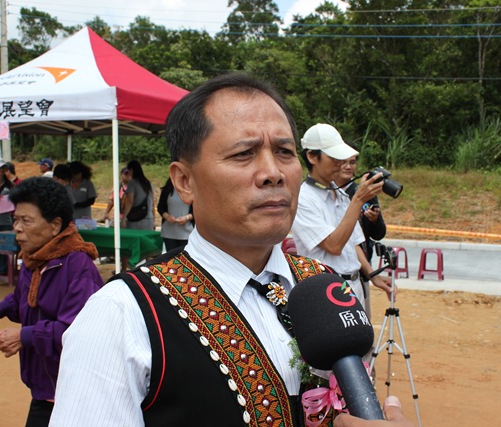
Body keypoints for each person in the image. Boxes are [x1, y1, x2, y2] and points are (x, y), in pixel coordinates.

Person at [49, 74, 411, 427]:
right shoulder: (120, 314)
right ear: (185, 181)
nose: (273, 173)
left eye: (284, 152)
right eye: (243, 154)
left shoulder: (323, 285)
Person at [0, 177, 104, 426]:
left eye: (26, 220)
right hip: (45, 389)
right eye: (15, 219)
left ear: (55, 225)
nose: (17, 228)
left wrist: (25, 336)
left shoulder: (77, 266)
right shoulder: (35, 259)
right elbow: (23, 299)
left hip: (74, 393)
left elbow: (76, 331)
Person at [291, 123, 394, 351]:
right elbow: (334, 245)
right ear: (312, 157)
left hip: (354, 285)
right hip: (327, 291)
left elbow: (353, 243)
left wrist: (372, 275)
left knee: (361, 350)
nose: (340, 164)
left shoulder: (338, 194)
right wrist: (358, 200)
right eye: (334, 158)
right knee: (335, 355)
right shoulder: (303, 198)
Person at [336, 149, 386, 264]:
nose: (348, 167)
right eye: (343, 162)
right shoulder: (326, 192)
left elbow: (379, 234)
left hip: (361, 264)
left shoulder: (366, 191)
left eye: (352, 162)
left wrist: (374, 220)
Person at [157, 176, 194, 251]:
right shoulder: (167, 190)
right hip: (169, 232)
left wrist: (186, 218)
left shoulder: (192, 190)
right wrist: (167, 217)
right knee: (171, 257)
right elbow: (160, 207)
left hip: (186, 232)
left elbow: (197, 210)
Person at [122, 159, 155, 230]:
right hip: (149, 220)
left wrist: (123, 218)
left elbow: (130, 202)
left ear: (131, 170)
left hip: (136, 220)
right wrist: (153, 221)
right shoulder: (149, 184)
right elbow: (152, 204)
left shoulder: (132, 183)